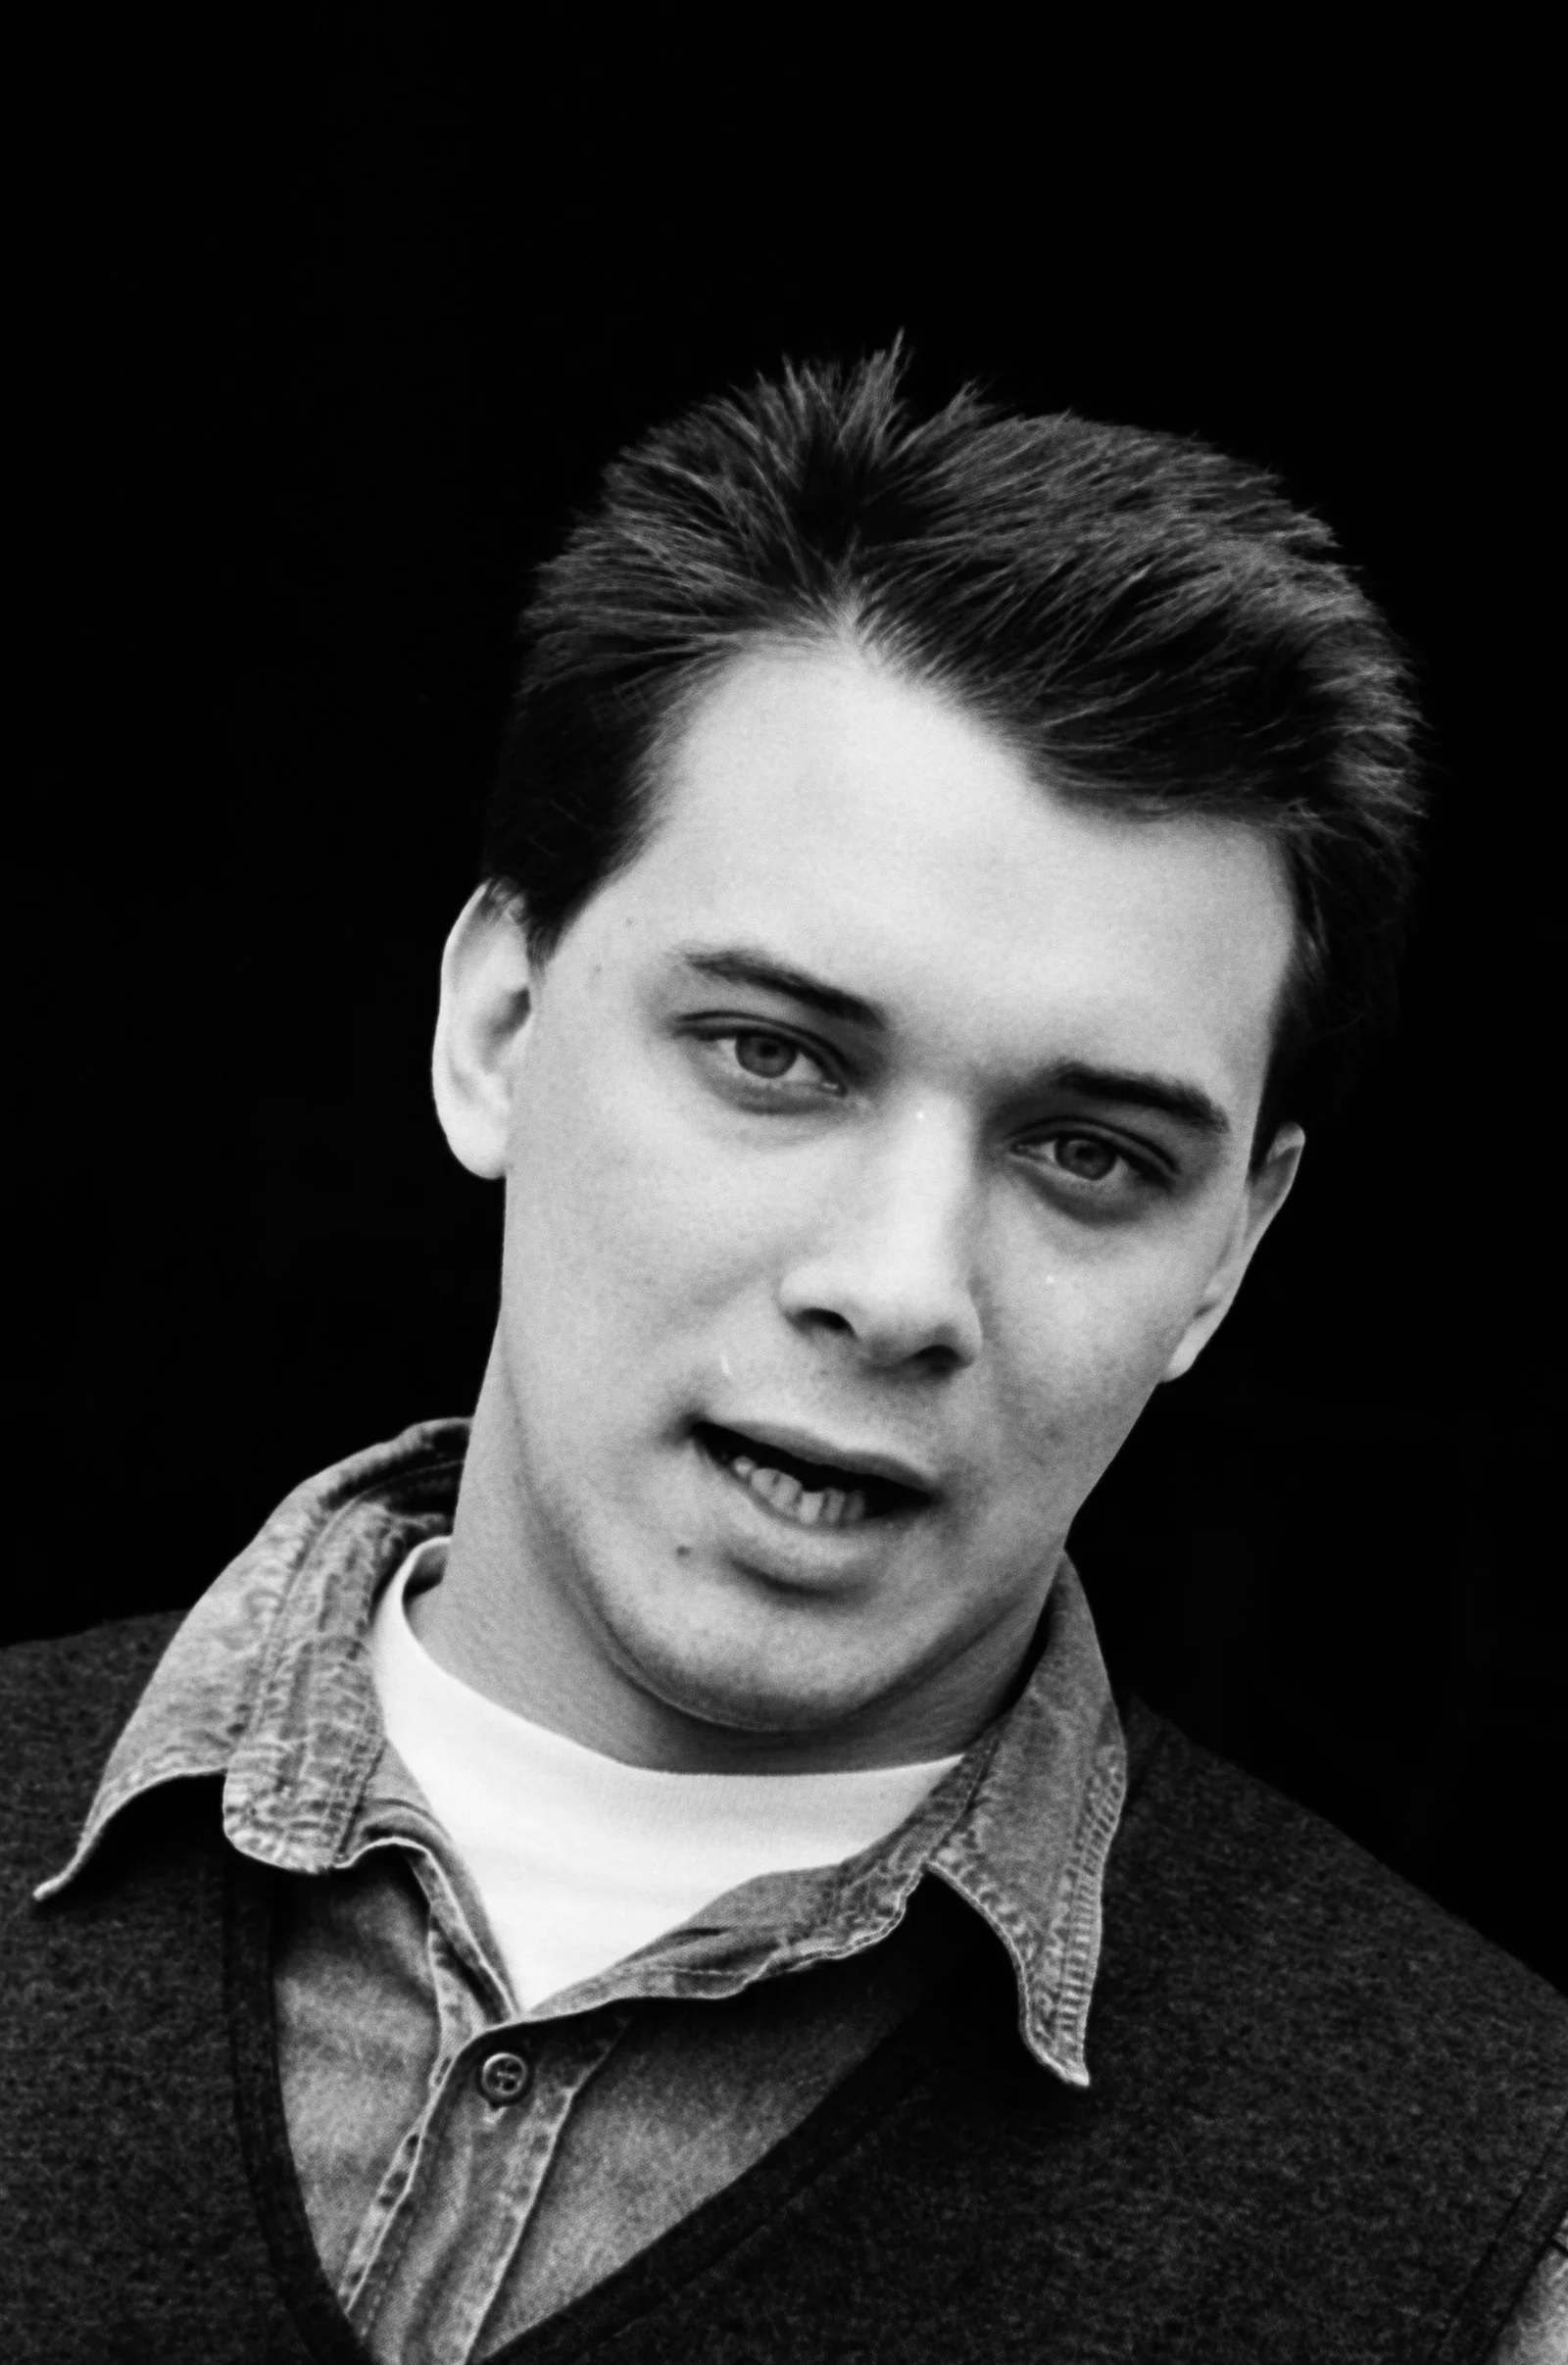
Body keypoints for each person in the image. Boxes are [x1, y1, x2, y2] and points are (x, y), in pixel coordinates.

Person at [3, 347, 1564, 2365]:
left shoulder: (1485, 2224)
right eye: (776, 1056)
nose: (900, 1286)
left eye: (1088, 1154)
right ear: (495, 1027)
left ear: (1227, 1257)